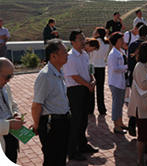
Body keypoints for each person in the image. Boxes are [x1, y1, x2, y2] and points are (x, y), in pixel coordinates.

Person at [32, 39, 71, 166]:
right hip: (52, 125)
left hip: (63, 121)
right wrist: (37, 125)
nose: (67, 54)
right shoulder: (45, 75)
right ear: (53, 56)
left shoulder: (59, 71)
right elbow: (37, 104)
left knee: (61, 157)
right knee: (52, 159)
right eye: (64, 52)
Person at [63, 30, 98, 161]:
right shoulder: (70, 57)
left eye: (84, 38)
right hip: (75, 90)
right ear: (73, 42)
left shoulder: (84, 54)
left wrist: (92, 79)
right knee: (75, 121)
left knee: (84, 119)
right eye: (80, 39)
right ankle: (72, 151)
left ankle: (82, 145)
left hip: (85, 88)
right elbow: (74, 76)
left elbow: (88, 70)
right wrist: (88, 85)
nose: (84, 41)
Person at [0, 58, 21, 163]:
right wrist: (8, 125)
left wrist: (16, 114)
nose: (9, 80)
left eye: (11, 76)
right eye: (7, 77)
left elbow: (13, 104)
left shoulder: (5, 86)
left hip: (11, 137)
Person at [107, 32, 128, 134]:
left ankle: (120, 122)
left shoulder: (121, 51)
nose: (123, 41)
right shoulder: (113, 54)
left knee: (120, 104)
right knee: (116, 104)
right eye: (121, 40)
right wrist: (126, 67)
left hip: (121, 82)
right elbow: (114, 68)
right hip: (115, 83)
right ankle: (116, 126)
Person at [89, 27, 110, 115]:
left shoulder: (93, 42)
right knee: (100, 89)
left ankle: (90, 109)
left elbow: (90, 55)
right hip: (102, 66)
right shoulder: (107, 43)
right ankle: (102, 109)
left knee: (91, 88)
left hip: (92, 66)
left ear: (97, 33)